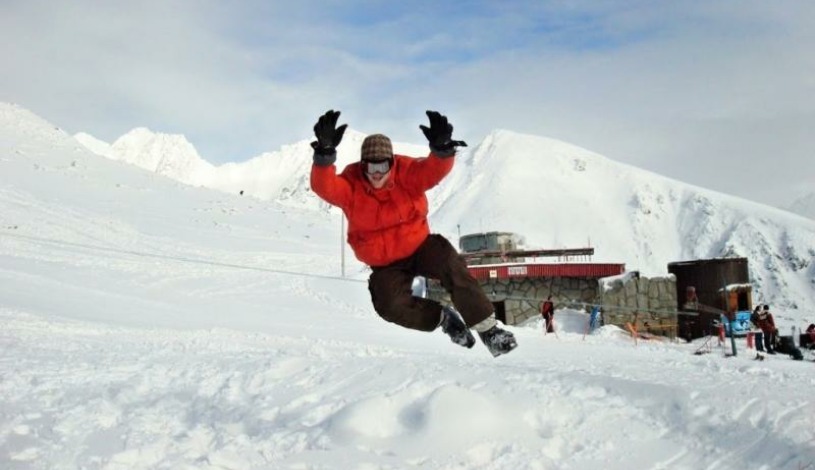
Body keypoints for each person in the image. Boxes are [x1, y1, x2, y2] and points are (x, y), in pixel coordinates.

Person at [308, 109, 517, 357]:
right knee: (388, 305)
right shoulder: (352, 186)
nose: (376, 173)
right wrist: (324, 155)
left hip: (419, 247)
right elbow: (325, 187)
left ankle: (489, 331)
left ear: (392, 163)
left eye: (382, 165)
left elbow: (433, 170)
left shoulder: (407, 173)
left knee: (450, 263)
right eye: (370, 166)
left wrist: (442, 150)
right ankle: (443, 319)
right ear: (362, 165)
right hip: (385, 265)